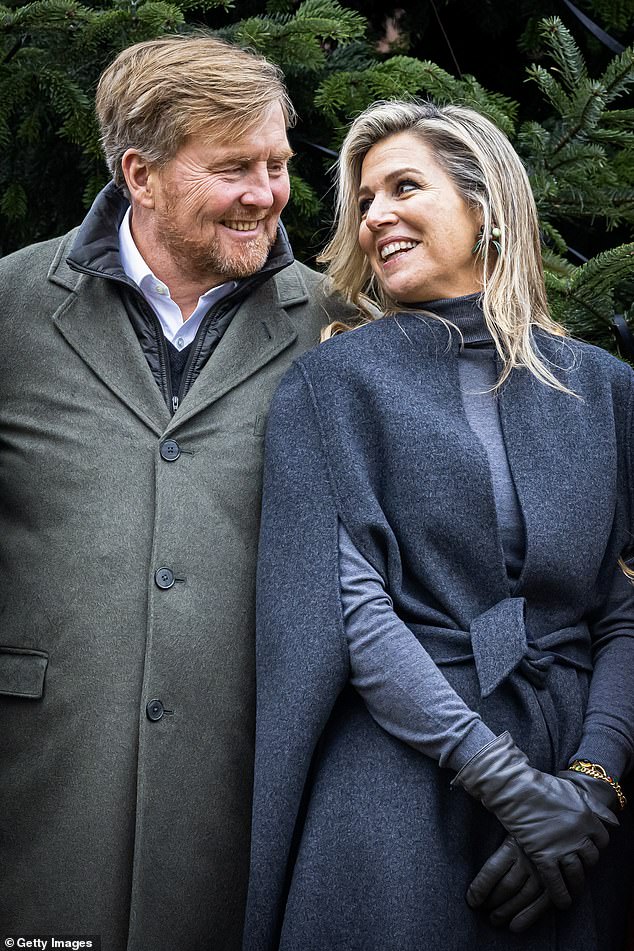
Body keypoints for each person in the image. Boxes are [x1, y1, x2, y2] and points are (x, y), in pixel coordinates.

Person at [243, 100, 634, 950]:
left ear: (485, 206)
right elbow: (351, 610)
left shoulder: (604, 388)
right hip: (400, 783)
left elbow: (624, 607)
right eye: (364, 199)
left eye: (404, 186)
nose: (375, 213)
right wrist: (503, 781)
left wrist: (590, 787)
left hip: (576, 792)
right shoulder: (331, 385)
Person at [0, 35, 352, 951]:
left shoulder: (337, 328)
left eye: (275, 163)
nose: (267, 193)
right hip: (40, 792)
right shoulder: (9, 308)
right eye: (232, 167)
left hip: (241, 795)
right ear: (140, 175)